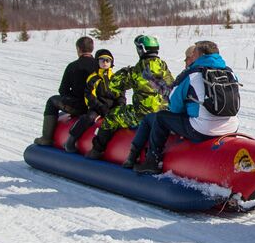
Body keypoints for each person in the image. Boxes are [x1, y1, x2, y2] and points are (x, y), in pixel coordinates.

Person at [131, 40, 239, 174]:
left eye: (193, 54)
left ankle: (152, 161)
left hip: (202, 130)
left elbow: (174, 106)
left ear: (199, 55)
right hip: (231, 128)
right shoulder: (230, 73)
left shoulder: (192, 74)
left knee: (161, 118)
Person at [89, 35, 173, 160]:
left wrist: (123, 72)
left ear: (141, 50)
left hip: (142, 114)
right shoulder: (163, 67)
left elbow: (114, 86)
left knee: (112, 116)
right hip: (164, 114)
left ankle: (97, 150)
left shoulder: (137, 70)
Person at [35, 36, 98, 146]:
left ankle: (46, 138)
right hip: (97, 108)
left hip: (79, 107)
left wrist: (70, 100)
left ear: (78, 49)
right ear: (92, 48)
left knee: (51, 101)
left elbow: (63, 89)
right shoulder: (101, 66)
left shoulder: (73, 66)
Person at [64, 48, 119, 152]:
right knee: (88, 118)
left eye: (108, 60)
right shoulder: (93, 78)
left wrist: (120, 105)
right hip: (97, 108)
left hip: (112, 108)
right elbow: (89, 96)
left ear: (111, 62)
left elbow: (120, 95)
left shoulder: (115, 79)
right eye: (102, 60)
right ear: (97, 62)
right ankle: (70, 141)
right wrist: (100, 107)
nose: (105, 63)